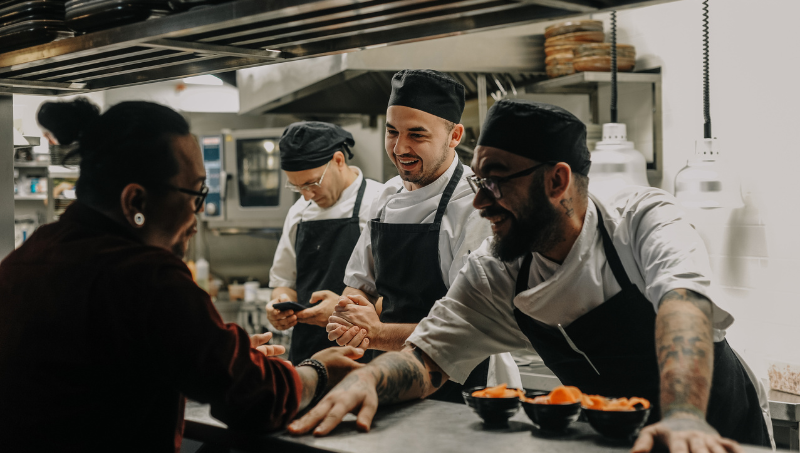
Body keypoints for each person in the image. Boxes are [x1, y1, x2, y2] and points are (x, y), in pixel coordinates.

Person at [288, 99, 773, 453]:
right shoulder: (496, 270)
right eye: (479, 182)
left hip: (719, 436)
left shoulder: (642, 220)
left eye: (495, 180)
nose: (480, 202)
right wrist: (371, 378)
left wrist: (687, 418)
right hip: (617, 443)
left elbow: (683, 304)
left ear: (557, 181)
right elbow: (427, 359)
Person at [0, 99, 363, 453]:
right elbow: (254, 399)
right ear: (135, 202)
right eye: (194, 195)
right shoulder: (146, 276)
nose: (196, 217)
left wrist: (214, 352)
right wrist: (319, 369)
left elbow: (97, 376)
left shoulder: (24, 260)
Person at [325, 69, 521, 402]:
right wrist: (350, 315)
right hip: (392, 374)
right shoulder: (386, 196)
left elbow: (467, 328)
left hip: (468, 386)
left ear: (455, 135)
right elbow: (359, 286)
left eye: (417, 134)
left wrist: (376, 333)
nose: (400, 147)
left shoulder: (479, 205)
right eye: (392, 132)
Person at [265, 121, 383, 365]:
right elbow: (284, 282)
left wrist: (345, 313)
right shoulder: (299, 212)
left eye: (312, 183)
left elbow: (402, 297)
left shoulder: (381, 202)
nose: (307, 195)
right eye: (297, 187)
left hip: (366, 353)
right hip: (308, 354)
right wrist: (279, 305)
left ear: (338, 160)